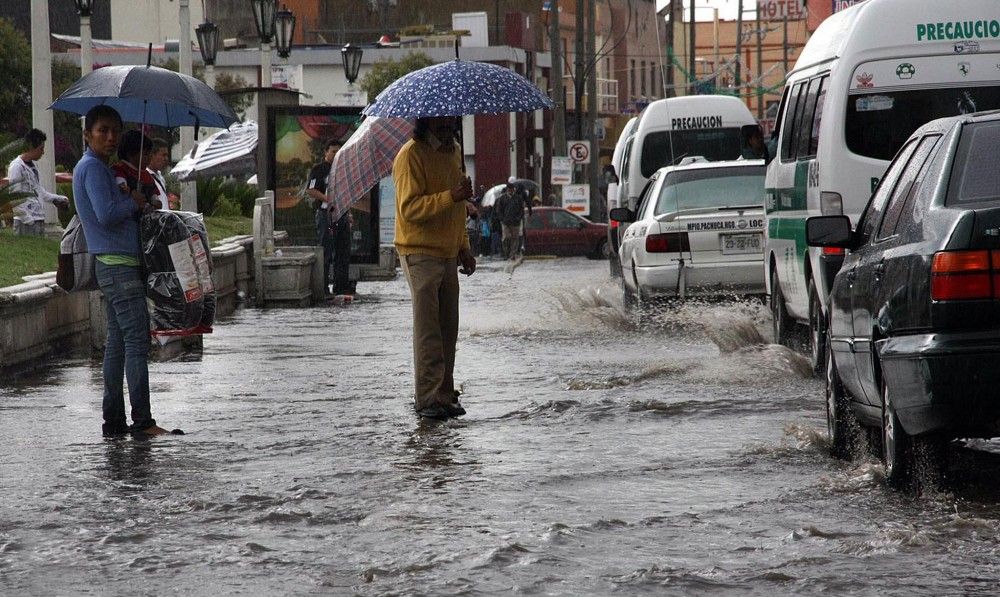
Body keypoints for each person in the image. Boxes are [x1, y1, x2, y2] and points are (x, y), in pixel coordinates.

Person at [72, 105, 180, 437]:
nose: (110, 137)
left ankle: (115, 421)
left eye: (115, 131)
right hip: (117, 265)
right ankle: (143, 421)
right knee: (136, 341)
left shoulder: (100, 168)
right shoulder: (93, 168)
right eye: (102, 130)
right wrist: (134, 201)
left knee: (118, 344)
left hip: (117, 264)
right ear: (87, 134)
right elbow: (105, 214)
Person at [392, 116, 476, 420]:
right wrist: (451, 196)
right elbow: (410, 208)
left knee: (448, 328)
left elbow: (457, 208)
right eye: (441, 120)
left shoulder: (454, 151)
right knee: (429, 330)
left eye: (451, 120)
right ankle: (427, 397)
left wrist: (464, 246)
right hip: (419, 251)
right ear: (427, 120)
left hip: (449, 252)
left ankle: (444, 393)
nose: (448, 124)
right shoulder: (410, 156)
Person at [307, 140, 353, 295]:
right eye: (333, 151)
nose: (335, 154)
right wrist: (328, 198)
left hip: (342, 214)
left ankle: (341, 285)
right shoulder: (319, 170)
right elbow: (311, 190)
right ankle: (324, 286)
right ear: (326, 152)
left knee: (343, 251)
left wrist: (349, 213)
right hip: (325, 214)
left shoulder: (343, 169)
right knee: (326, 250)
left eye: (338, 151)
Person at [7, 128, 68, 236]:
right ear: (31, 146)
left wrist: (58, 198)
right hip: (25, 222)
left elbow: (39, 192)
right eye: (41, 149)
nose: (43, 152)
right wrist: (28, 220)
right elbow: (14, 197)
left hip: (38, 219)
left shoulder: (33, 167)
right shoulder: (17, 166)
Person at [113, 130, 161, 209]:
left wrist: (156, 201)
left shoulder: (147, 175)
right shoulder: (121, 169)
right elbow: (121, 185)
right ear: (130, 154)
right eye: (146, 154)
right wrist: (127, 190)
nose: (150, 157)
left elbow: (153, 192)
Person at [494, 178, 533, 260]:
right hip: (505, 222)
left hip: (515, 222)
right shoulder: (502, 198)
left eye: (511, 189)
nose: (510, 191)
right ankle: (506, 252)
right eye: (509, 189)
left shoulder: (518, 198)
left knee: (515, 239)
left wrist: (519, 218)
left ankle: (512, 254)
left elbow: (521, 209)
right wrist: (502, 219)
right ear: (507, 189)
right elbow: (499, 210)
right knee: (506, 237)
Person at [145, 137, 172, 210]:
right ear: (152, 155)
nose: (166, 159)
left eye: (167, 155)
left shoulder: (160, 177)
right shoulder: (145, 177)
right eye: (163, 155)